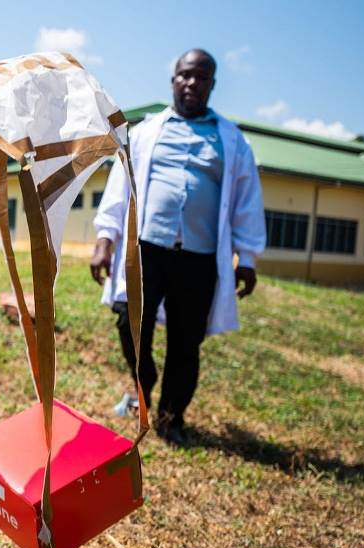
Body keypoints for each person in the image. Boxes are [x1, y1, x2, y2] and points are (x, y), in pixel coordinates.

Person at [91, 48, 266, 445]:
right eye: (185, 75)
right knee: (129, 321)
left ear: (212, 85)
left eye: (201, 77)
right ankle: (142, 387)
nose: (191, 82)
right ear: (173, 80)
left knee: (186, 343)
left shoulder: (232, 141)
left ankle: (172, 417)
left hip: (199, 260)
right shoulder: (147, 131)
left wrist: (248, 257)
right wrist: (106, 239)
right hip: (146, 250)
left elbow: (246, 200)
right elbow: (121, 187)